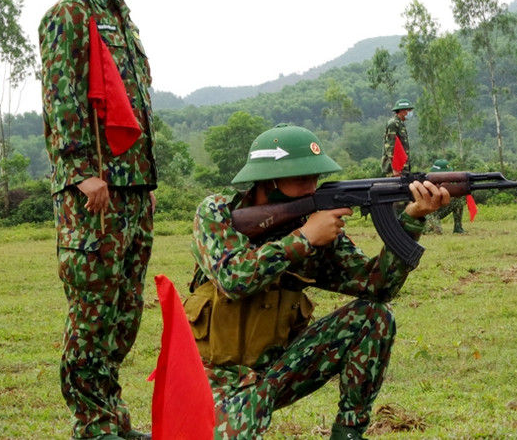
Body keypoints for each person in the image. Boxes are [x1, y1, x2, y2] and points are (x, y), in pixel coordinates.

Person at [184, 124, 449, 440]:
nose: (311, 187)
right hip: (215, 380)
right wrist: (304, 238)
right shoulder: (218, 212)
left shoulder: (316, 225)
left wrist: (412, 219)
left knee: (373, 315)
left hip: (279, 373)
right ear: (268, 180)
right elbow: (232, 278)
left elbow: (378, 287)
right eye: (300, 178)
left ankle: (347, 434)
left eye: (315, 177)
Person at [38, 0, 159, 439]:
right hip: (95, 192)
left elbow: (135, 107)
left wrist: (147, 182)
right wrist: (83, 170)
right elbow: (61, 99)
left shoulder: (120, 14)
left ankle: (110, 416)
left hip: (132, 190)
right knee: (91, 315)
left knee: (123, 313)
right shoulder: (68, 14)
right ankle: (92, 424)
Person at [424, 159, 466, 234]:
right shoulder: (427, 183)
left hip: (438, 211)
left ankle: (458, 227)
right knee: (436, 232)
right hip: (428, 213)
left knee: (458, 201)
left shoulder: (449, 184)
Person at [381, 98, 414, 177]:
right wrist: (395, 169)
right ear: (403, 111)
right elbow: (391, 146)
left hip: (402, 166)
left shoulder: (400, 124)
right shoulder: (393, 124)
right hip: (395, 169)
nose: (410, 113)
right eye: (409, 110)